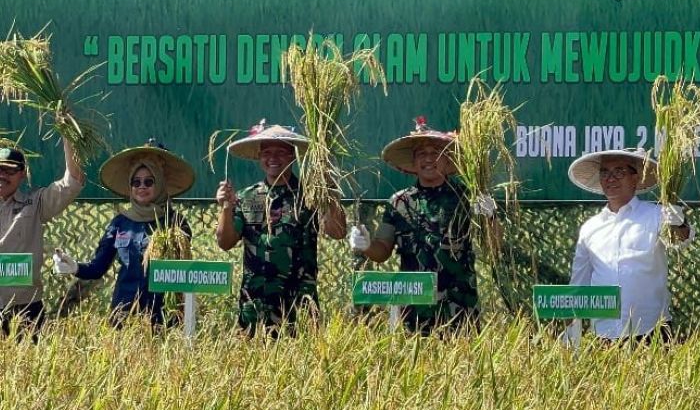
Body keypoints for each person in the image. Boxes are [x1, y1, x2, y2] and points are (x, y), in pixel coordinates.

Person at [215, 121, 347, 334]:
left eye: (281, 152)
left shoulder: (310, 196)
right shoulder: (247, 197)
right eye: (267, 152)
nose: (273, 158)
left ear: (293, 156)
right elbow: (225, 242)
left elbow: (338, 232)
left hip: (300, 303)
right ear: (259, 157)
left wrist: (329, 191)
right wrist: (226, 207)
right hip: (255, 303)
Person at [350, 118, 479, 333]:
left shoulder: (466, 199)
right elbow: (382, 250)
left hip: (459, 305)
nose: (429, 159)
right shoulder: (399, 202)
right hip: (414, 307)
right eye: (422, 153)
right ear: (414, 162)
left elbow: (495, 243)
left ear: (447, 160)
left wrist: (490, 215)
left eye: (435, 152)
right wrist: (366, 245)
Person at [51, 140, 194, 327]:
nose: (141, 187)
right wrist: (75, 267)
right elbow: (98, 268)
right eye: (136, 182)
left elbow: (184, 272)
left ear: (159, 183)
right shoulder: (120, 223)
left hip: (162, 316)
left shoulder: (176, 223)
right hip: (124, 314)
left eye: (149, 181)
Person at [567, 147, 691, 343]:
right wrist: (570, 327)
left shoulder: (657, 215)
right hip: (605, 333)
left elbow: (680, 241)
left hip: (652, 329)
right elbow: (579, 282)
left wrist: (678, 222)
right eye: (605, 173)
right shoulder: (590, 228)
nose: (611, 178)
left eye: (619, 172)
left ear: (636, 178)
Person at [0, 139, 84, 335]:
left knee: (27, 363)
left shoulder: (35, 203)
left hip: (26, 307)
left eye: (10, 170)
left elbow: (73, 181)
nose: (2, 175)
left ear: (22, 174)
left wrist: (67, 138)